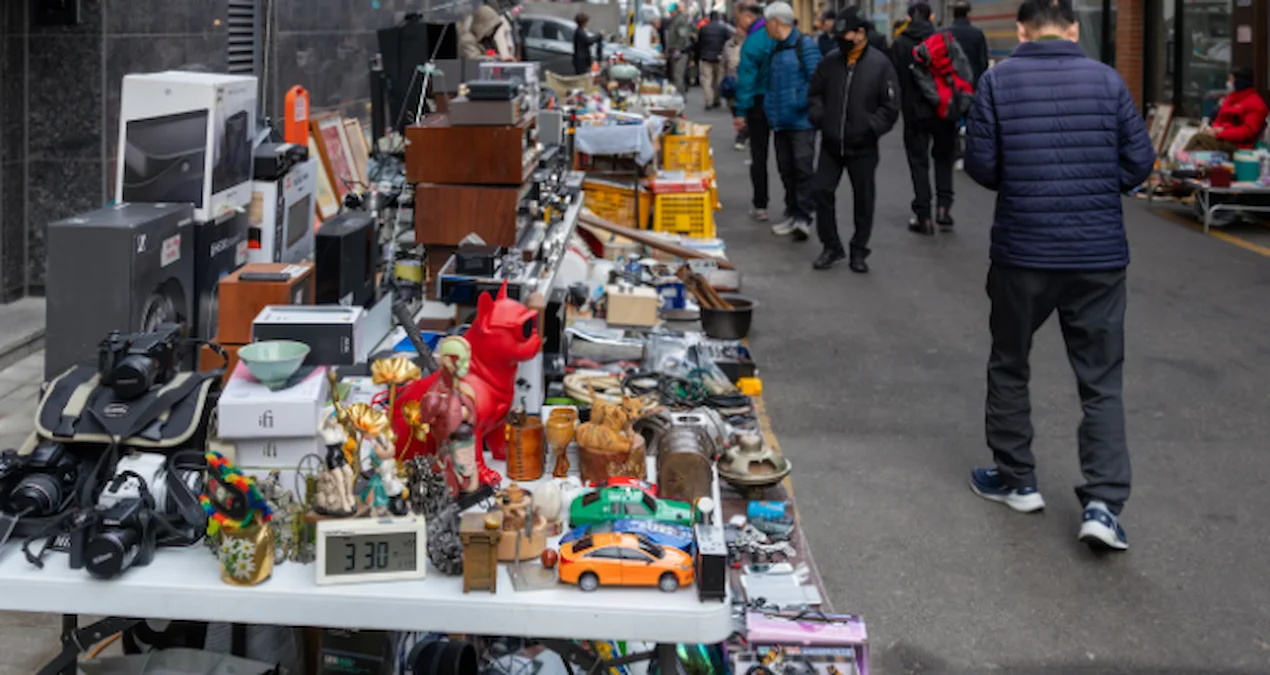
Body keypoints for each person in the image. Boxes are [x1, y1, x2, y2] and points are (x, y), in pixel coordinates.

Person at [962, 0, 1154, 552]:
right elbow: (1139, 162)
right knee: (1101, 380)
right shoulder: (1109, 80)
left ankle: (1018, 479)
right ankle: (1103, 504)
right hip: (1098, 256)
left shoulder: (998, 82)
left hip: (1023, 251)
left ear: (1021, 30)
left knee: (1009, 361)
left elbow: (981, 165)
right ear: (1072, 30)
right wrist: (1096, 185)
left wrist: (1023, 180)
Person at [808, 7, 899, 273]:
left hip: (863, 146)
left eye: (845, 33)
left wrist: (870, 128)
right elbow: (815, 94)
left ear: (860, 34)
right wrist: (821, 118)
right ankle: (831, 246)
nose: (840, 39)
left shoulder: (880, 65)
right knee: (821, 191)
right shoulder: (830, 62)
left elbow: (891, 107)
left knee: (864, 199)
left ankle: (859, 250)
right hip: (831, 143)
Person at [739, 2, 820, 240]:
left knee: (802, 168)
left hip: (801, 121)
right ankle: (793, 213)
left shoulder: (805, 46)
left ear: (776, 22)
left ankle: (804, 217)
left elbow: (816, 80)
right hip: (780, 120)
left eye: (768, 24)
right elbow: (770, 83)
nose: (766, 29)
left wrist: (797, 102)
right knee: (787, 170)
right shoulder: (775, 48)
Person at [892, 2, 958, 235]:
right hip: (943, 109)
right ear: (931, 16)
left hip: (914, 113)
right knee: (943, 160)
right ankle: (943, 208)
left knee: (918, 162)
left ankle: (924, 216)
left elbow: (895, 79)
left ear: (909, 17)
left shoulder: (900, 44)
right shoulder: (944, 39)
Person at [733, 2, 775, 221]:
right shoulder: (784, 36)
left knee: (759, 155)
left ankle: (761, 205)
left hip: (759, 102)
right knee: (789, 157)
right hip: (782, 100)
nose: (738, 25)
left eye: (739, 20)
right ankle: (797, 210)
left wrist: (740, 111)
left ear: (748, 17)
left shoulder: (754, 41)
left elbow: (747, 79)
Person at [1188, 66, 1269, 153]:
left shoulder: (1256, 103)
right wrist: (1214, 130)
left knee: (1198, 138)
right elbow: (1219, 119)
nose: (1228, 83)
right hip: (1222, 139)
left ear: (1239, 81)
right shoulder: (1230, 98)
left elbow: (1247, 131)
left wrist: (1221, 132)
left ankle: (1179, 163)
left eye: (1231, 80)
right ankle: (1180, 164)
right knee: (1199, 149)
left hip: (1238, 146)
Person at [947, 1, 989, 83]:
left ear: (953, 15)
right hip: (972, 83)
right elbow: (983, 62)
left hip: (950, 84)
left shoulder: (944, 33)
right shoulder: (977, 33)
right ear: (967, 14)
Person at [698, 12, 733, 109]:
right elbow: (728, 41)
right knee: (718, 79)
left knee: (707, 79)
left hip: (705, 57)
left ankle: (709, 101)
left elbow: (699, 43)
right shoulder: (723, 29)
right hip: (719, 57)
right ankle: (717, 100)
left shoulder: (704, 29)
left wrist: (699, 55)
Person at [665, 4, 696, 92]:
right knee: (675, 75)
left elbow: (682, 37)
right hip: (675, 51)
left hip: (680, 52)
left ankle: (680, 97)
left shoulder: (680, 21)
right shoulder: (674, 20)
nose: (670, 13)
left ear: (676, 11)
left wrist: (678, 50)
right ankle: (677, 96)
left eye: (671, 12)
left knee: (678, 76)